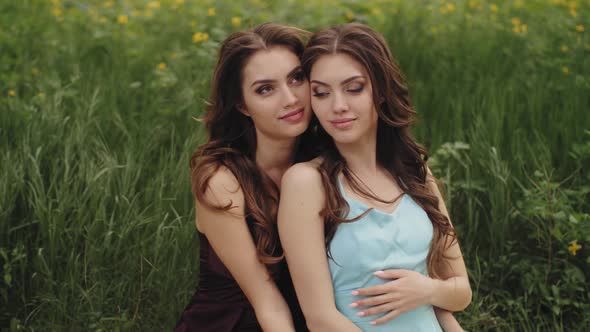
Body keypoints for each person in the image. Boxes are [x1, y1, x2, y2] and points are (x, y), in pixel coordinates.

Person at [278, 23, 472, 331]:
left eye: (354, 88)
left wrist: (427, 290)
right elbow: (320, 318)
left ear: (381, 90)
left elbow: (461, 292)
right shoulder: (306, 182)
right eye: (321, 93)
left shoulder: (415, 173)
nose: (338, 106)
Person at [174, 22, 314, 332]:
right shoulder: (222, 181)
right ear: (242, 105)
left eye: (296, 78)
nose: (290, 98)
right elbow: (266, 302)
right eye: (266, 89)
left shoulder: (321, 163)